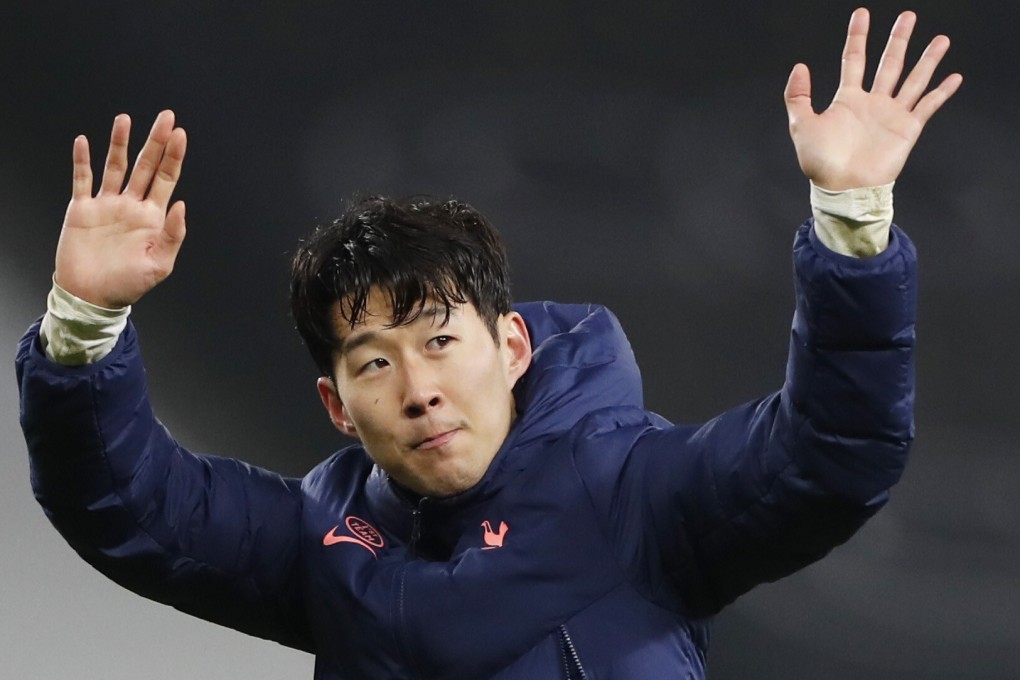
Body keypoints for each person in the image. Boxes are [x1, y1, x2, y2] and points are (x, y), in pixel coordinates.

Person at [16, 8, 961, 679]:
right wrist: (84, 322)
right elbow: (128, 508)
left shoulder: (635, 495)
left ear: (511, 346)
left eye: (440, 341)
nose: (418, 389)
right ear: (337, 408)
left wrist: (851, 222)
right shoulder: (320, 542)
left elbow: (831, 456)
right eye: (375, 362)